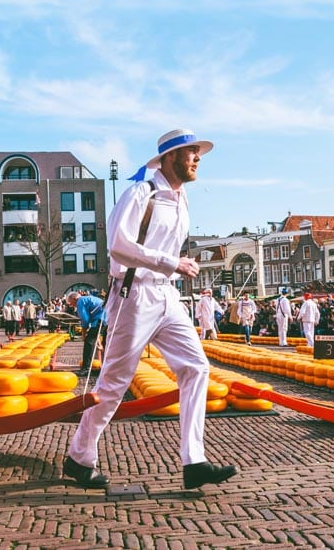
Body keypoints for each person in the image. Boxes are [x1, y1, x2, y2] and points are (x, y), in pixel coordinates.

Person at [63, 127, 238, 491]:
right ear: (170, 157)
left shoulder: (182, 199)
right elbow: (118, 246)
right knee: (114, 382)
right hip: (134, 294)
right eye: (191, 152)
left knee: (196, 367)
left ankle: (194, 461)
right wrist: (170, 262)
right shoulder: (141, 193)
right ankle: (79, 458)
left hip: (167, 296)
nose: (197, 158)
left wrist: (173, 266)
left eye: (198, 152)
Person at [66, 291, 107, 375]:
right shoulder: (89, 298)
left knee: (89, 342)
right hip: (108, 318)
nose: (72, 305)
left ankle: (86, 369)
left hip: (100, 319)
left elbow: (85, 319)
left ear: (75, 298)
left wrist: (83, 335)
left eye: (71, 303)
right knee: (105, 343)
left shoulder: (81, 301)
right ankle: (106, 368)